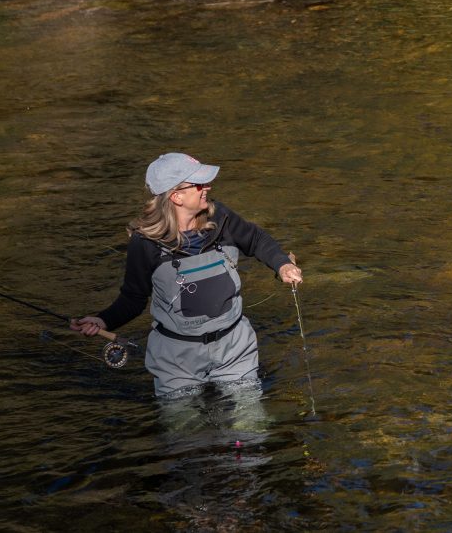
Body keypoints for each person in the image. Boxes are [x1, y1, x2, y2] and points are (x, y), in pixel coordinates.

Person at [71, 152, 303, 396]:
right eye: (199, 184)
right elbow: (133, 298)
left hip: (234, 348)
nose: (208, 187)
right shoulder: (145, 243)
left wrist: (282, 265)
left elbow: (256, 240)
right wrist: (103, 321)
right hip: (177, 359)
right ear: (176, 196)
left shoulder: (221, 218)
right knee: (185, 431)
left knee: (249, 428)